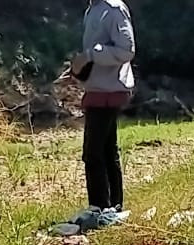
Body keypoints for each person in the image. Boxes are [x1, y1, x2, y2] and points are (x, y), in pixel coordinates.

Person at [72, 0, 136, 214]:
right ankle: (113, 206)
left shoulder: (114, 9)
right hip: (97, 88)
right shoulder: (92, 9)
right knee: (107, 151)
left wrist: (90, 55)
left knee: (93, 153)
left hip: (109, 90)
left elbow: (126, 50)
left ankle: (99, 207)